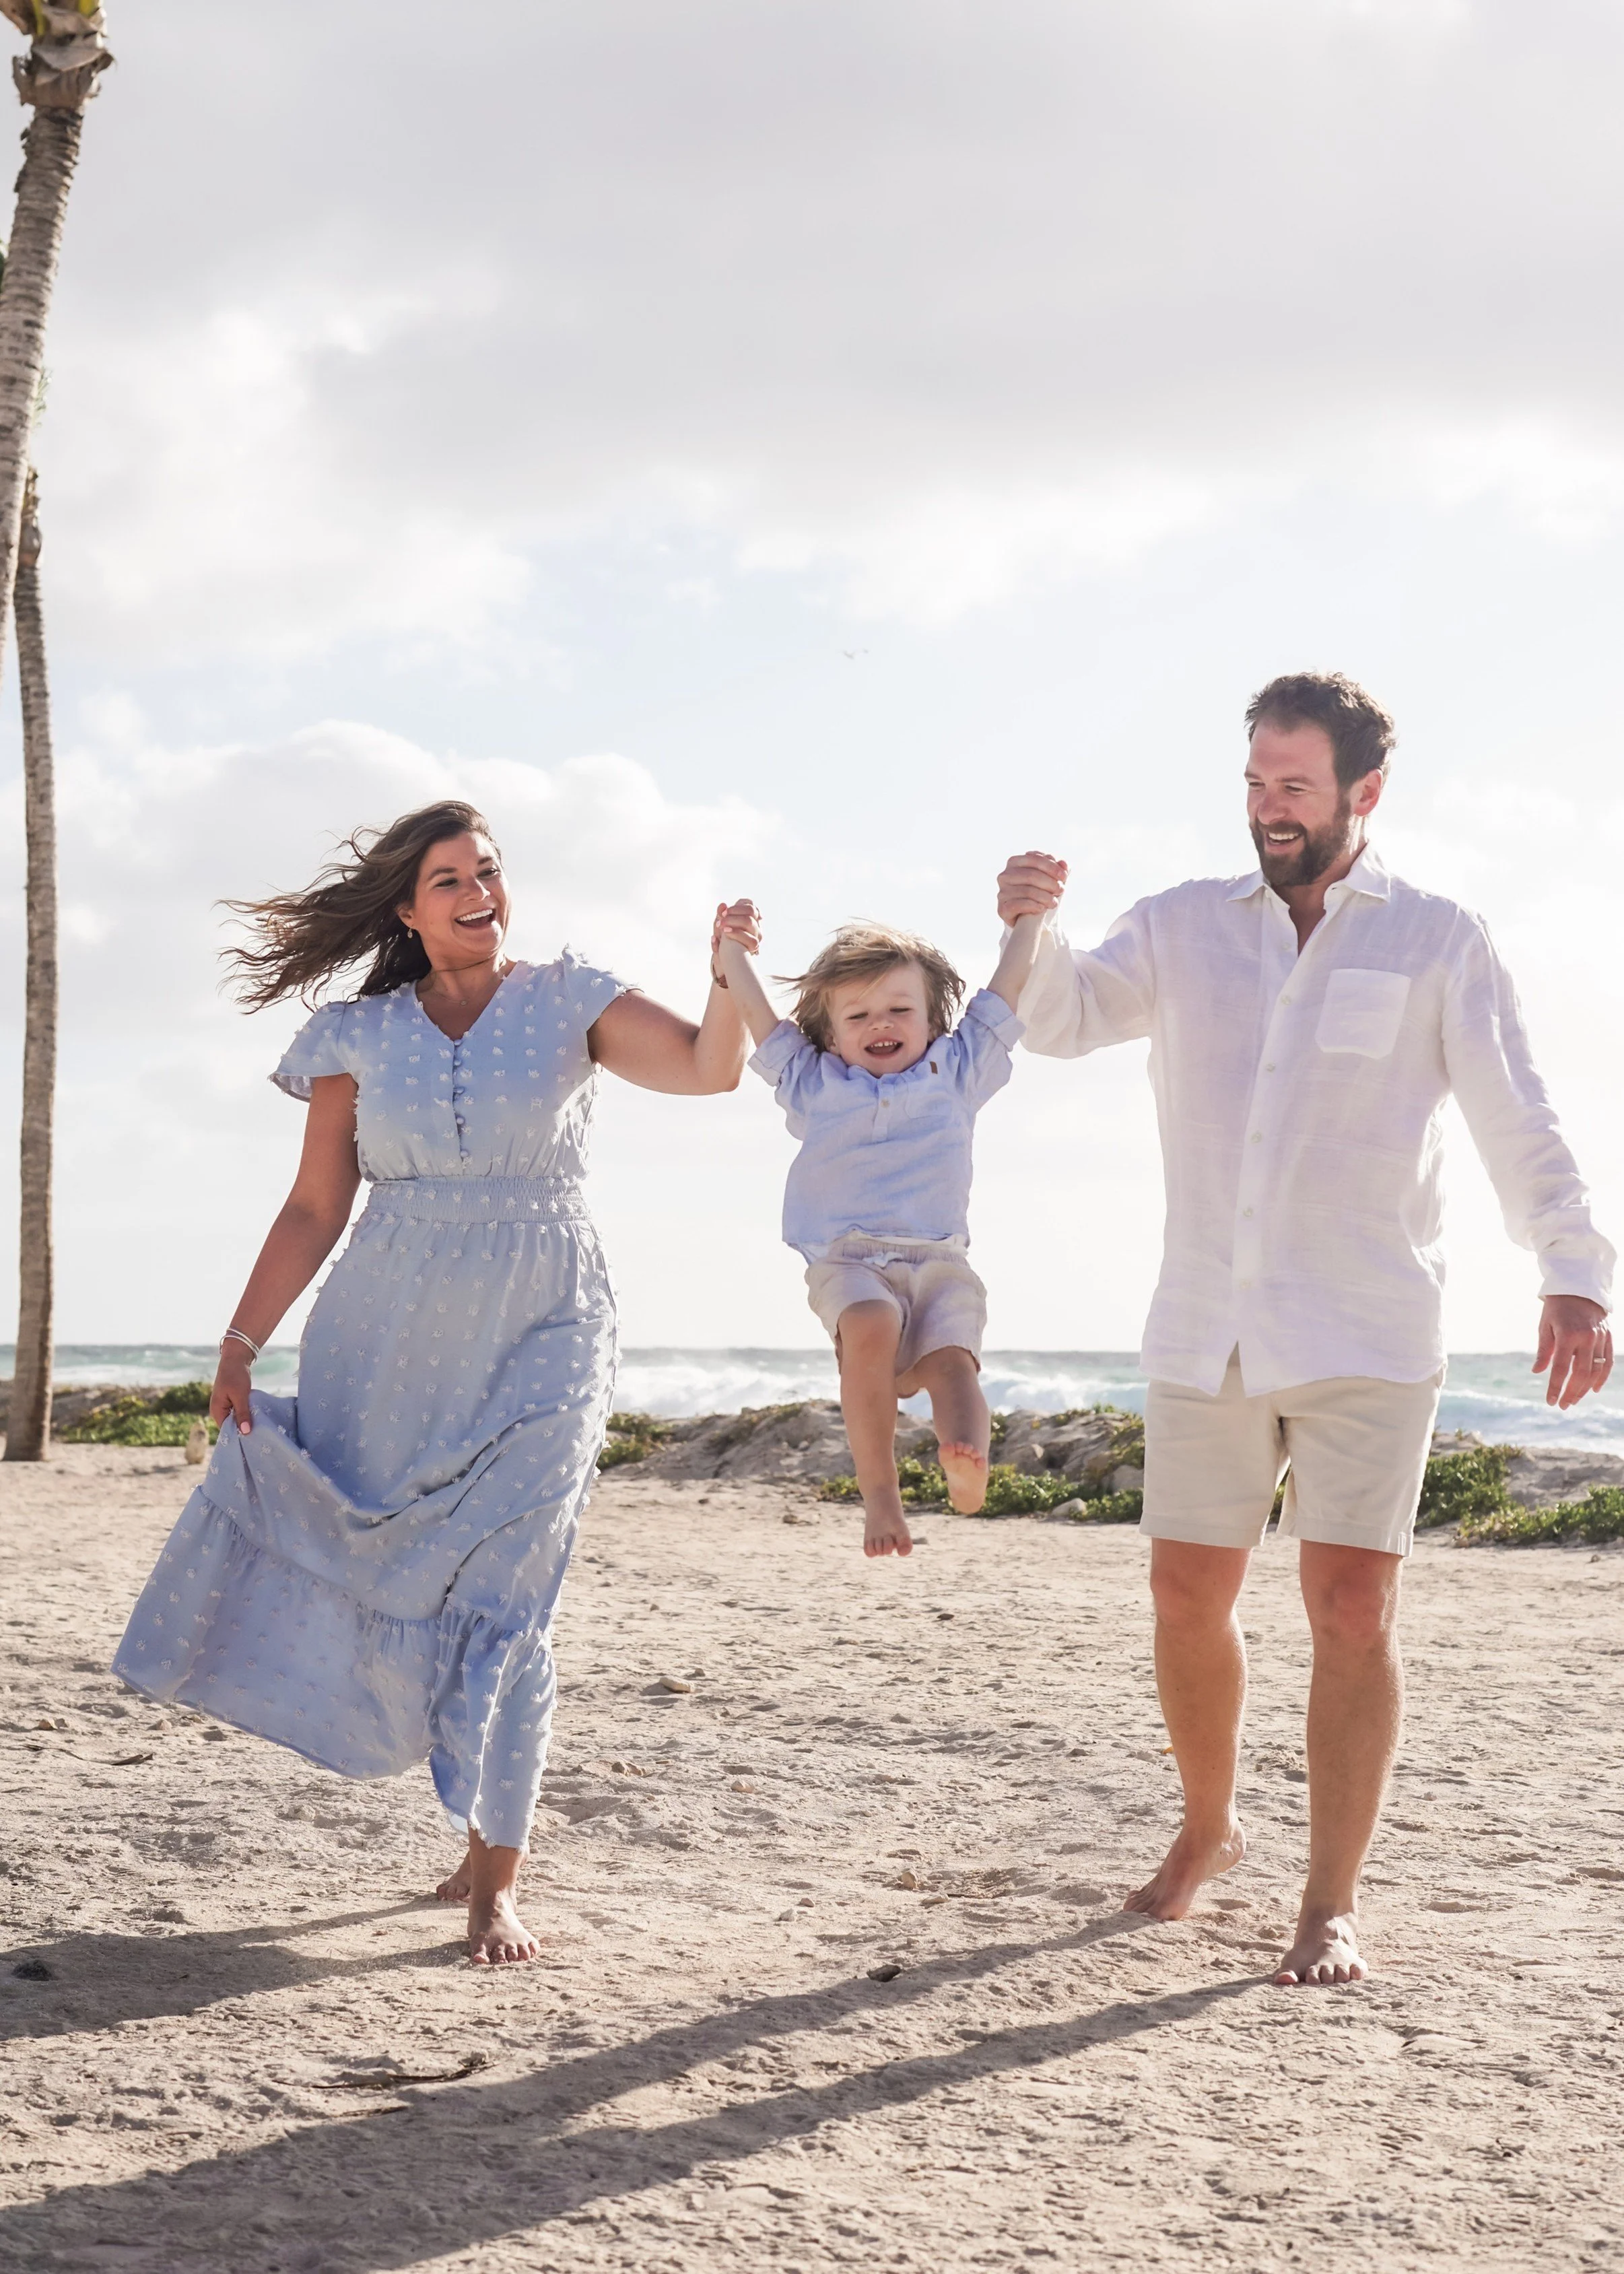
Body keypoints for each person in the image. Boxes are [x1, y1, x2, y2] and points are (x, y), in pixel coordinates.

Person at [999, 672, 1614, 1986]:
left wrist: (1571, 1268)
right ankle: (1211, 1824)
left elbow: (1519, 1111)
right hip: (1206, 1319)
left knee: (1349, 1601)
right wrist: (1032, 928)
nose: (1269, 810)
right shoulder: (1178, 925)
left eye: (1294, 787)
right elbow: (1058, 1022)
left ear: (1362, 795)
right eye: (1256, 784)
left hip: (1370, 1318)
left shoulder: (1438, 937)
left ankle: (1330, 1899)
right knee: (1184, 1593)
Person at [114, 800, 761, 1966]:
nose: (477, 891)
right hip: (387, 1326)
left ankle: (495, 1878)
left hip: (548, 1322)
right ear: (408, 910)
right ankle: (463, 1822)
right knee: (391, 1557)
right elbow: (318, 1204)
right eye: (449, 877)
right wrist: (241, 1338)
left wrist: (727, 970)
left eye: (489, 871)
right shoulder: (355, 1034)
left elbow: (712, 1071)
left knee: (515, 1592)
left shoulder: (573, 998)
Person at [718, 911, 1042, 1555]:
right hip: (849, 1258)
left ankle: (968, 1465)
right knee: (869, 1324)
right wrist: (732, 949)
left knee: (953, 1367)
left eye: (899, 1009)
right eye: (858, 1017)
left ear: (932, 1020)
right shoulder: (813, 1082)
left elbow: (1004, 992)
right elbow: (761, 1019)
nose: (881, 1025)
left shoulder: (959, 1069)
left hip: (940, 1259)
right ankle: (882, 1497)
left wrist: (1030, 921)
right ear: (831, 1035)